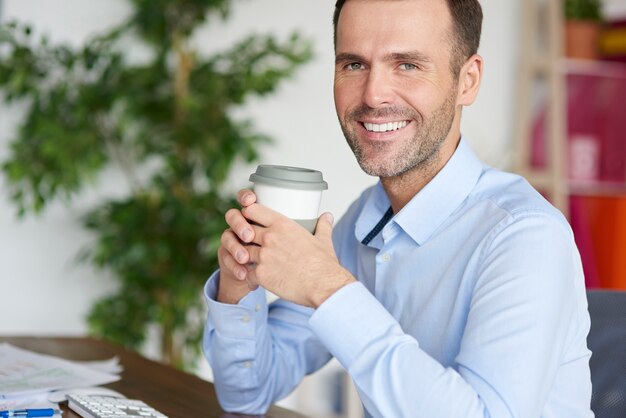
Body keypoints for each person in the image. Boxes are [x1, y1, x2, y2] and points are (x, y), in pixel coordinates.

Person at [202, 0, 594, 417]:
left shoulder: (526, 237)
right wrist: (239, 285)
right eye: (354, 64)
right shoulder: (361, 224)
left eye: (406, 64)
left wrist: (328, 288)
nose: (373, 95)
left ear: (468, 80)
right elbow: (246, 393)